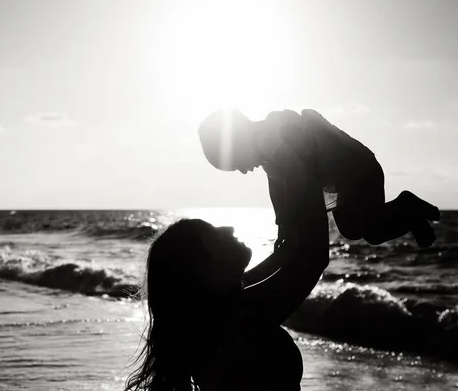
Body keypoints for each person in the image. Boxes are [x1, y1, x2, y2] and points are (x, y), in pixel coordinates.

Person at [125, 163, 329, 391]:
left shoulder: (208, 317)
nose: (229, 228)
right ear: (204, 270)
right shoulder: (236, 318)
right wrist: (311, 170)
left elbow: (253, 278)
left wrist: (282, 254)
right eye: (213, 235)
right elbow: (314, 259)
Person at [198, 108, 440, 248]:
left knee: (373, 231)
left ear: (238, 139)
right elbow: (277, 189)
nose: (241, 170)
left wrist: (288, 216)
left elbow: (296, 174)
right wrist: (281, 224)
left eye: (235, 163)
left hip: (359, 171)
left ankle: (408, 207)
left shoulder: (270, 136)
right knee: (351, 231)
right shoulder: (266, 155)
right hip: (341, 183)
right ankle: (409, 214)